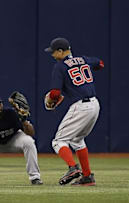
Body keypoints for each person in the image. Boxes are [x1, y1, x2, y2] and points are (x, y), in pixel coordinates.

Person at [44, 37, 104, 186]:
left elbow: (55, 93)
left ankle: (72, 168)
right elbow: (100, 64)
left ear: (60, 51)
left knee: (58, 141)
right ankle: (87, 176)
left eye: (53, 52)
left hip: (81, 106)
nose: (52, 55)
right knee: (77, 140)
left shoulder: (60, 66)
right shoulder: (83, 59)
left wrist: (51, 100)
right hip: (95, 104)